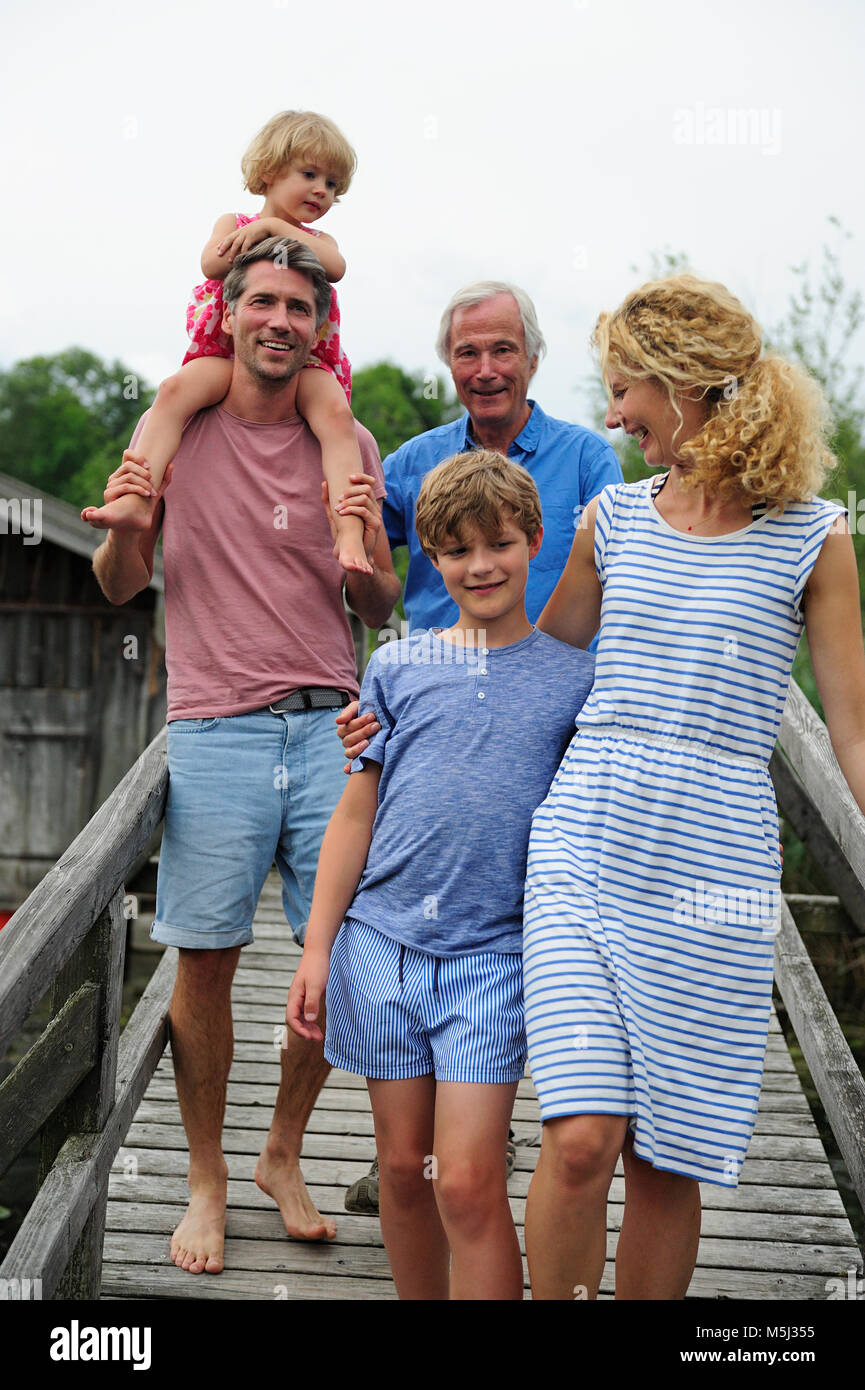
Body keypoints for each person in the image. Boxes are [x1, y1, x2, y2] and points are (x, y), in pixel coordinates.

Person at [521, 272, 865, 1300]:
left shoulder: (815, 533)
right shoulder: (611, 518)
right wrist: (402, 717)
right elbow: (539, 675)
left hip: (714, 864)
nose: (615, 412)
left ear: (688, 385)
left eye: (625, 388)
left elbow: (850, 723)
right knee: (580, 1136)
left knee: (665, 1157)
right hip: (586, 835)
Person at [90, 236, 401, 1276]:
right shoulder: (179, 428)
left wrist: (361, 536)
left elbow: (380, 602)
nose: (278, 320)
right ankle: (206, 1178)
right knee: (206, 960)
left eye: (297, 309)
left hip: (329, 726)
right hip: (215, 723)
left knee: (347, 958)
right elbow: (119, 585)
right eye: (260, 302)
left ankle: (283, 1152)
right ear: (227, 315)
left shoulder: (341, 437)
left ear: (319, 329)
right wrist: (125, 521)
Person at [336, 281, 621, 1213]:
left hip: (552, 724)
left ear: (532, 360)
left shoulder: (587, 461)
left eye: (502, 350)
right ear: (448, 364)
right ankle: (416, 1160)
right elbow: (368, 593)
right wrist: (370, 687)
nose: (485, 369)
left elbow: (628, 585)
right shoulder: (413, 463)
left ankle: (481, 1140)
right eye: (467, 353)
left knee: (511, 942)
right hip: (423, 713)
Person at [286, 450, 596, 1298]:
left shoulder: (575, 681)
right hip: (381, 945)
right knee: (400, 1169)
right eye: (456, 551)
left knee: (464, 1178)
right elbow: (355, 815)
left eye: (498, 543)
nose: (480, 565)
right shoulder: (396, 667)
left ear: (534, 540)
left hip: (494, 954)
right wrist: (317, 948)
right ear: (431, 558)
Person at [82, 110, 371, 575]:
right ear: (268, 174)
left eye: (334, 185)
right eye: (310, 175)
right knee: (173, 393)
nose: (323, 191)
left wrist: (277, 230)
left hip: (306, 364)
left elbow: (336, 268)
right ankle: (138, 500)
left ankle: (350, 530)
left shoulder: (320, 240)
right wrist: (253, 232)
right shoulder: (232, 220)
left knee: (337, 417)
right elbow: (210, 265)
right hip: (228, 355)